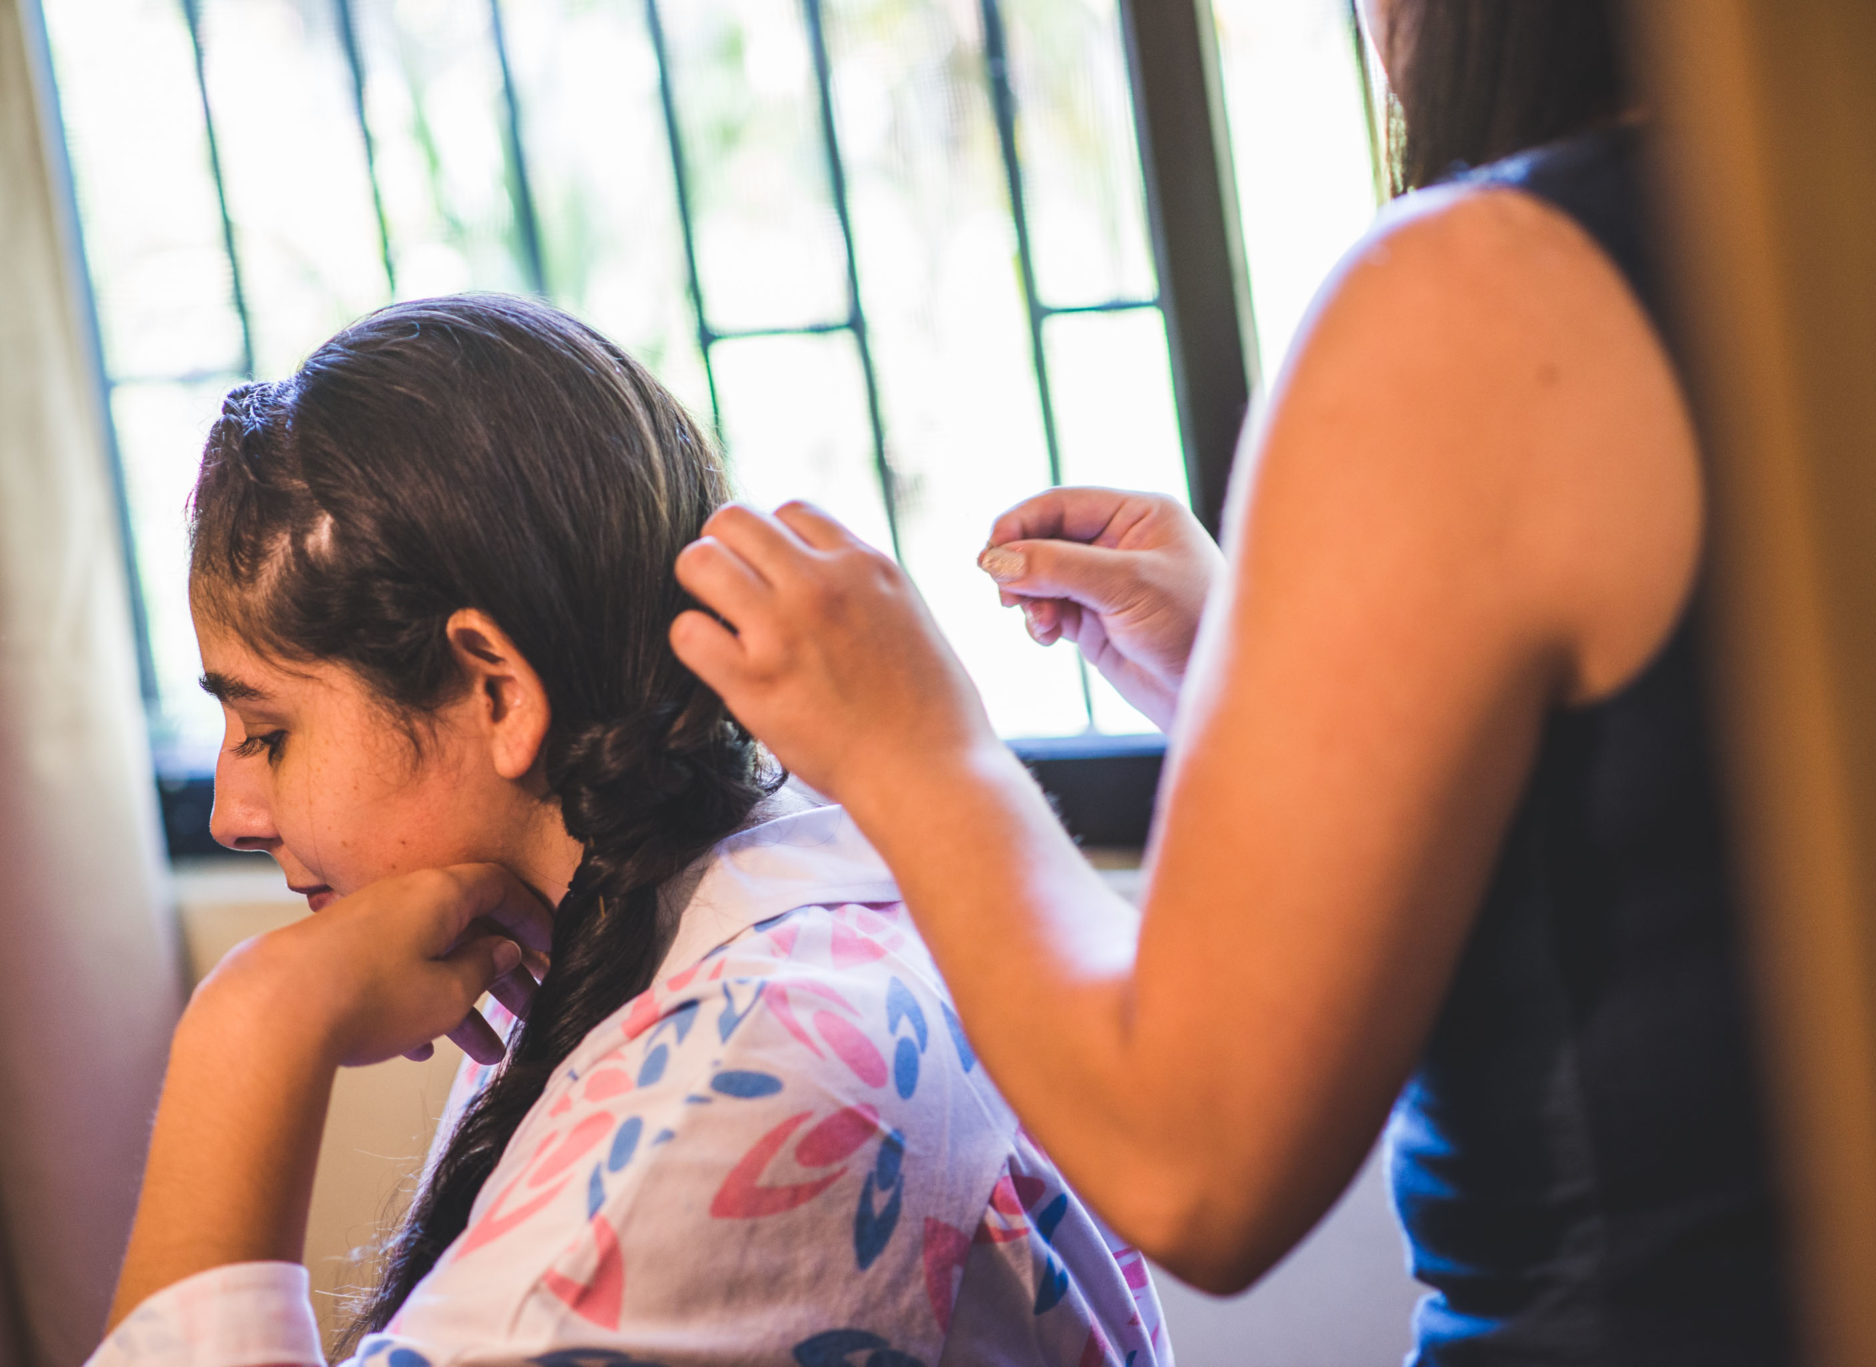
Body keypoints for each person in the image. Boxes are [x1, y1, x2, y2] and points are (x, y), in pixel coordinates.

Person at [660, 2, 1798, 1363]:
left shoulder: (1484, 290)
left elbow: (1190, 1151)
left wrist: (920, 749)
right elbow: (1691, 817)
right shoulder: (1860, 233)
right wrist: (1276, 675)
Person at [89, 295, 1170, 1367]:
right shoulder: (746, 931)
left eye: (267, 731)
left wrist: (248, 1033)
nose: (233, 812)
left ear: (496, 691)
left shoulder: (732, 1100)